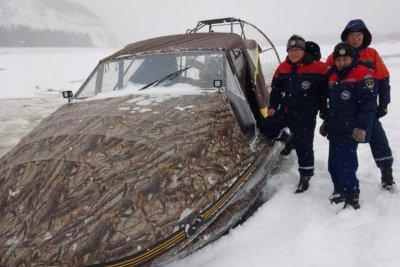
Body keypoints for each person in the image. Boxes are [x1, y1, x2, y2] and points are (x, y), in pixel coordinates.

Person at [325, 19, 395, 191]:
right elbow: (324, 80)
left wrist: (384, 103)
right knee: (343, 149)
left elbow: (384, 79)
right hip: (344, 113)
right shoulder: (335, 56)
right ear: (346, 37)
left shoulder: (371, 54)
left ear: (365, 36)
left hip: (366, 109)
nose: (356, 39)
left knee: (379, 140)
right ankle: (343, 183)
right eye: (352, 35)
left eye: (359, 35)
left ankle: (386, 172)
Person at [261, 35, 329, 193]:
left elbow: (328, 90)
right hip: (286, 110)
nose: (294, 53)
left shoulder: (319, 67)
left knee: (304, 146)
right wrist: (273, 106)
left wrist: (325, 113)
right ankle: (286, 139)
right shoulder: (283, 67)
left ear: (303, 50)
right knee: (266, 125)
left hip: (305, 115)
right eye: (291, 50)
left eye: (297, 49)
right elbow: (276, 89)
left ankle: (305, 176)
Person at [321, 42, 377, 209]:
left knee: (346, 164)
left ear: (353, 58)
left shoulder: (364, 75)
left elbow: (368, 106)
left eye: (345, 59)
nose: (342, 62)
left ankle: (352, 196)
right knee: (333, 163)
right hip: (335, 129)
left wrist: (361, 127)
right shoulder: (332, 76)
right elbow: (332, 104)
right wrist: (327, 122)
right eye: (338, 59)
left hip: (351, 130)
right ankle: (339, 189)